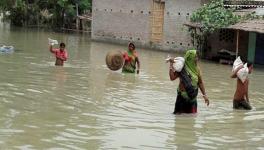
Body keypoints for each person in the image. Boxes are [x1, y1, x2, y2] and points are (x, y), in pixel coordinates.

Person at [169, 50, 209, 114]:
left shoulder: (197, 69)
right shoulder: (181, 68)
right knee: (179, 120)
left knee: (191, 119)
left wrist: (205, 95)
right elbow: (172, 78)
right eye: (195, 57)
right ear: (190, 58)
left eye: (197, 57)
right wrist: (171, 65)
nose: (197, 59)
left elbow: (200, 83)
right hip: (182, 99)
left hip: (192, 99)